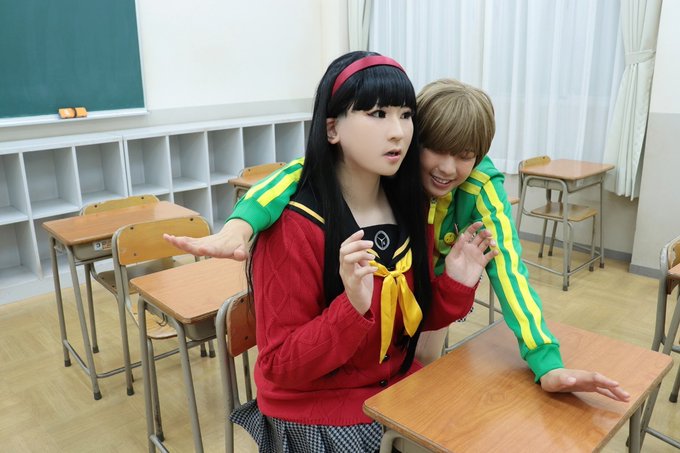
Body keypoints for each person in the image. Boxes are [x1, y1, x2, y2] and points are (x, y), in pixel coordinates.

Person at [166, 78, 630, 401]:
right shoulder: (391, 161)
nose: (447, 168)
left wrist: (547, 361)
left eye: (465, 155)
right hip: (375, 298)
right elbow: (302, 171)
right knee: (397, 379)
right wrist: (240, 225)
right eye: (436, 148)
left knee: (421, 381)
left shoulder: (481, 188)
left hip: (432, 285)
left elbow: (510, 271)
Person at [212, 51, 495, 452]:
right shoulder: (293, 226)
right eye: (378, 114)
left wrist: (454, 282)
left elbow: (407, 324)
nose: (398, 132)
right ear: (332, 129)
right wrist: (352, 308)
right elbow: (279, 366)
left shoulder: (410, 208)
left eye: (406, 115)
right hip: (320, 409)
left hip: (389, 387)